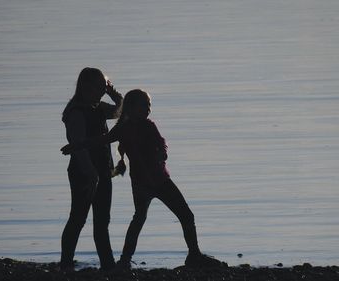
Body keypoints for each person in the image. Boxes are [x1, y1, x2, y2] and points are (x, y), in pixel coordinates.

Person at [61, 89, 226, 268]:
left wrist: (162, 153)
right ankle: (128, 259)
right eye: (144, 104)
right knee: (153, 218)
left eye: (149, 105)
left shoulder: (146, 125)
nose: (148, 108)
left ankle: (190, 254)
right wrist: (77, 146)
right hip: (150, 183)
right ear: (131, 107)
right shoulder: (125, 127)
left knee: (174, 216)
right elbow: (103, 139)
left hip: (153, 180)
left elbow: (161, 143)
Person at [60, 67, 123, 271]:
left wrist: (115, 95)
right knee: (78, 218)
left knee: (102, 221)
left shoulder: (98, 108)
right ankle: (66, 262)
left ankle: (107, 263)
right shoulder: (77, 112)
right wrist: (90, 173)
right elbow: (78, 145)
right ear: (85, 86)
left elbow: (119, 112)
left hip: (103, 170)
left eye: (104, 87)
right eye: (98, 87)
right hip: (83, 172)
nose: (101, 91)